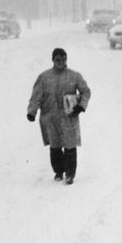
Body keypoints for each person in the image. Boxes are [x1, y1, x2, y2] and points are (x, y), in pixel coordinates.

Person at [27, 48, 91, 184]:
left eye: (63, 59)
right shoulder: (44, 77)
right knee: (55, 146)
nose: (61, 62)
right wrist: (31, 111)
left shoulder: (75, 76)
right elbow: (36, 96)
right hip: (50, 117)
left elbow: (86, 91)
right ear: (53, 60)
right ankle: (58, 171)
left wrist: (80, 106)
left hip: (68, 117)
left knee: (69, 145)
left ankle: (70, 174)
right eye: (58, 60)